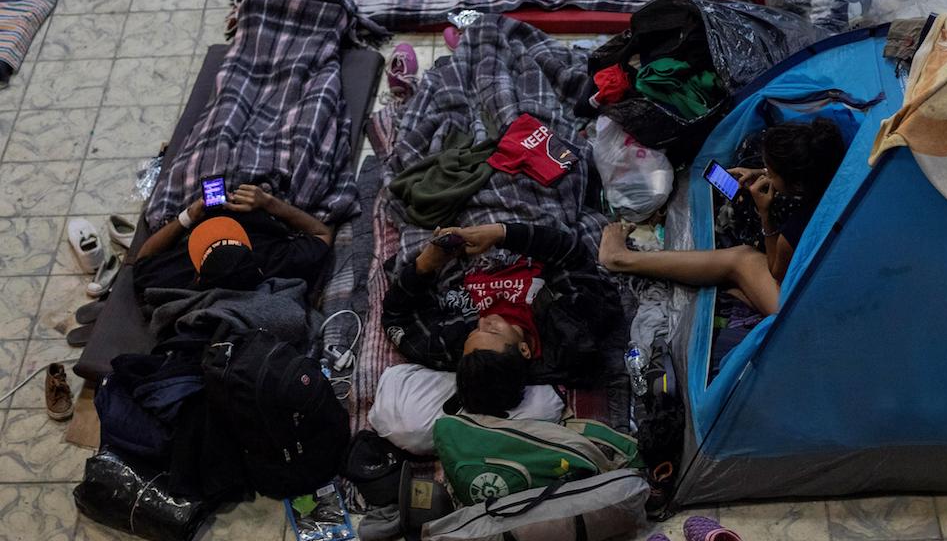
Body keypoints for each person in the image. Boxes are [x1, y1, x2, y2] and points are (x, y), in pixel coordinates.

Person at [599, 118, 846, 315]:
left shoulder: (793, 232)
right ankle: (743, 288)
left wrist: (765, 213)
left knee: (742, 258)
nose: (765, 172)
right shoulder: (834, 166)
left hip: (806, 310)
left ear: (798, 184)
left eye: (772, 171)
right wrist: (764, 172)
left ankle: (620, 258)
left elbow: (777, 273)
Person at [381, 223, 627, 421]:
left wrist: (426, 264)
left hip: (453, 241)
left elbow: (397, 316)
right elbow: (570, 253)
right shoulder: (570, 328)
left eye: (475, 330)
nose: (484, 320)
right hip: (531, 225)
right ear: (524, 349)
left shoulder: (462, 349)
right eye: (494, 331)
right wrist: (502, 233)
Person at [134, 183, 332, 293]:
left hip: (200, 201)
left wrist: (188, 216)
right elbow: (322, 233)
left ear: (198, 276)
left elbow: (143, 258)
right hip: (265, 191)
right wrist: (270, 203)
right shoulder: (276, 260)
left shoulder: (179, 276)